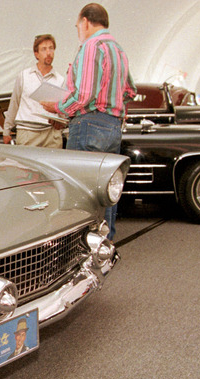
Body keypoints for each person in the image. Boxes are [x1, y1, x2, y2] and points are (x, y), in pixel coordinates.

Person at [41, 3, 136, 241]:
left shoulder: (91, 46)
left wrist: (59, 107)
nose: (78, 30)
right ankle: (104, 242)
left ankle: (81, 246)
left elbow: (84, 96)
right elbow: (130, 90)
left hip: (88, 125)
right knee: (107, 188)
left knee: (81, 189)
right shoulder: (118, 49)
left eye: (77, 26)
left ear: (85, 22)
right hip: (113, 126)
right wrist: (111, 105)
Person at [3, 34, 66, 148]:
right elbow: (14, 103)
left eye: (51, 48)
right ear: (36, 54)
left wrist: (61, 123)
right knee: (25, 166)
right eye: (44, 49)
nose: (48, 52)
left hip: (51, 134)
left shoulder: (60, 80)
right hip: (28, 133)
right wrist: (6, 131)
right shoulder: (24, 76)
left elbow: (62, 111)